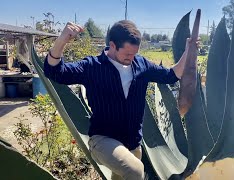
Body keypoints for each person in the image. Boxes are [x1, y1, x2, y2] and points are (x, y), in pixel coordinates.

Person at [44, 20, 196, 180]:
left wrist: (189, 50)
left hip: (133, 144)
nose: (131, 58)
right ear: (113, 45)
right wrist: (61, 41)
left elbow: (171, 75)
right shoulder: (93, 67)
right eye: (127, 54)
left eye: (134, 53)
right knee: (135, 170)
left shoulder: (141, 65)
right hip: (103, 140)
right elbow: (55, 71)